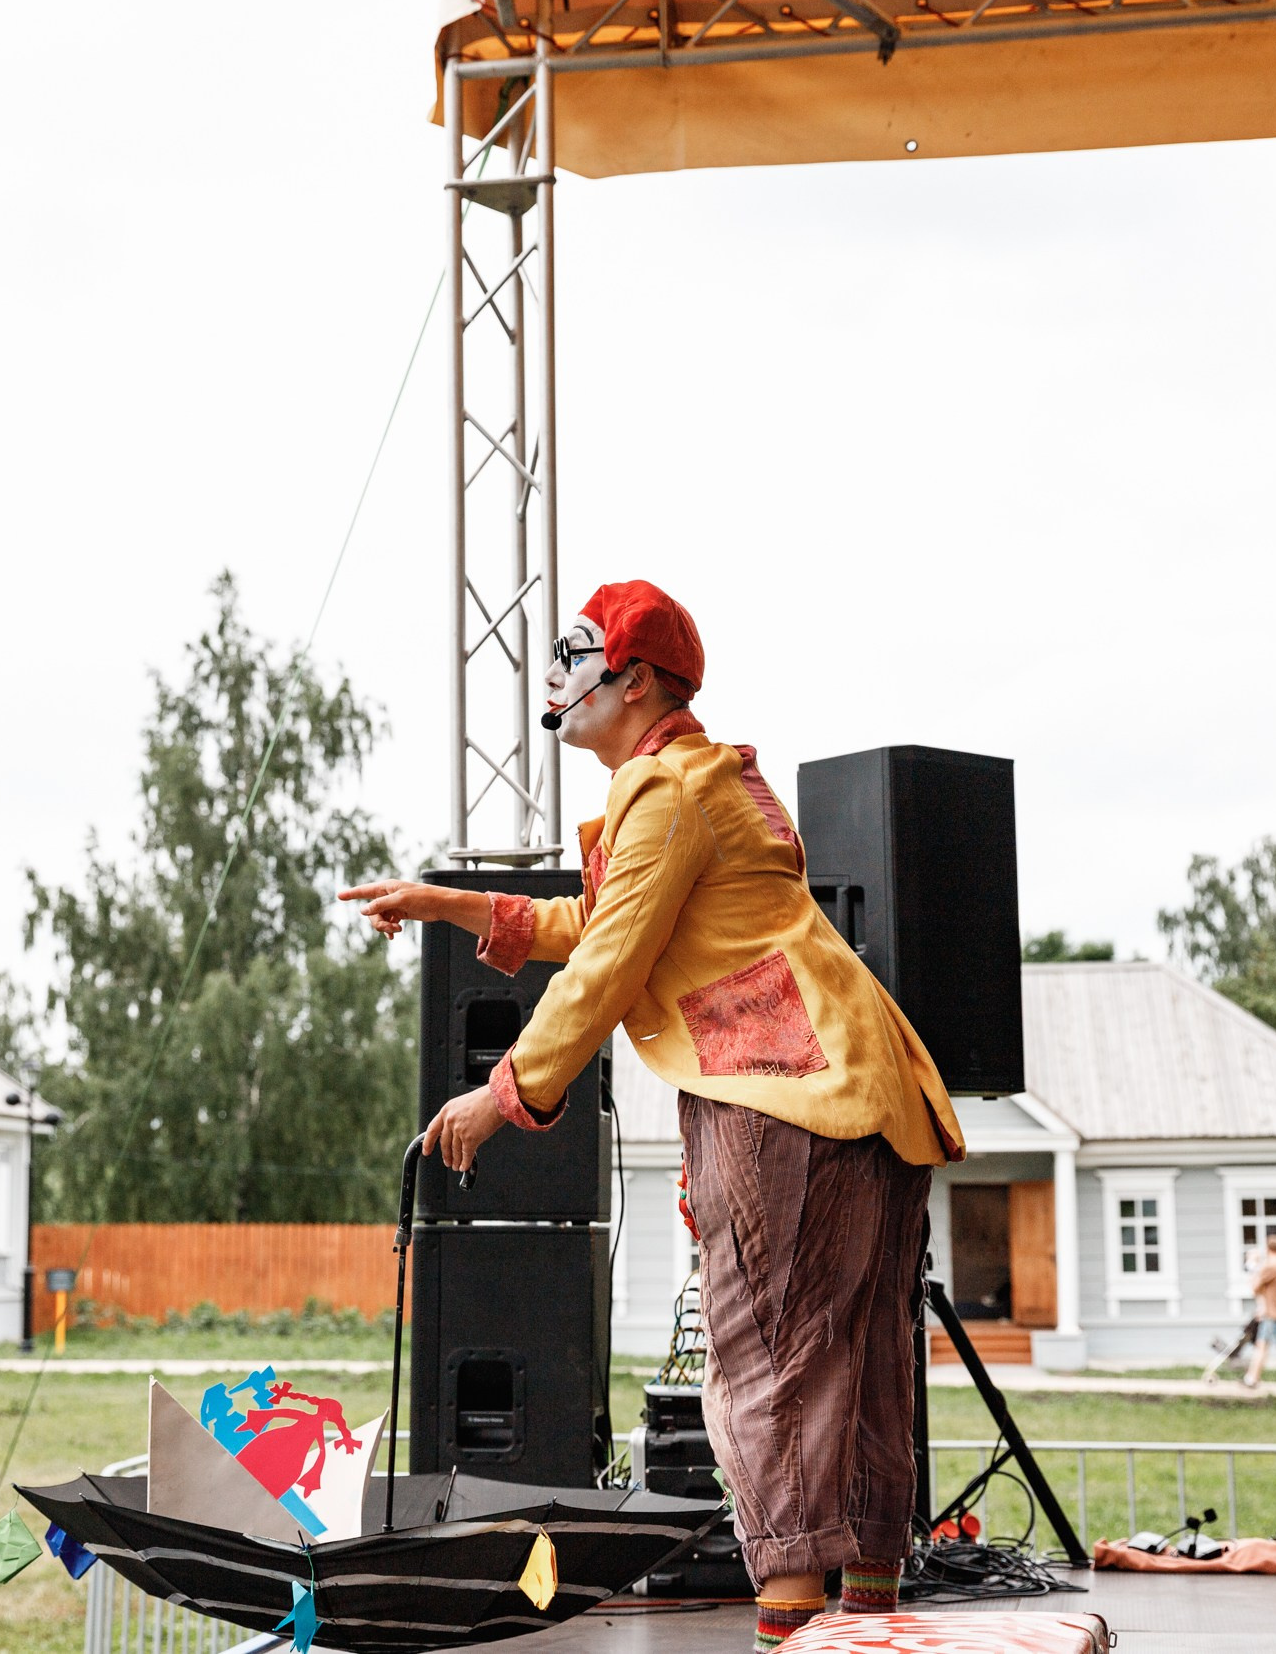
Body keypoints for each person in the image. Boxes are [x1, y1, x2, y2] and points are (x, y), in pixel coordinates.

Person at [342, 581, 968, 1653]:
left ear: (632, 682)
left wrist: (501, 1095)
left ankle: (793, 1626)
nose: (561, 687)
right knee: (854, 1359)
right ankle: (867, 1619)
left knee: (764, 1359)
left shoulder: (665, 793)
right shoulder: (693, 785)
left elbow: (602, 964)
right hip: (861, 1083)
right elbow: (601, 916)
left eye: (580, 660)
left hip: (780, 1089)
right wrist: (449, 903)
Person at [1242, 1230, 1276, 1391]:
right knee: (1270, 1345)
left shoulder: (1271, 1265)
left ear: (1268, 1248)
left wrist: (1252, 1265)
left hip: (1272, 1314)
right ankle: (1253, 1378)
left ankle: (1252, 1379)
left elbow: (1254, 1286)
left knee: (1268, 1345)